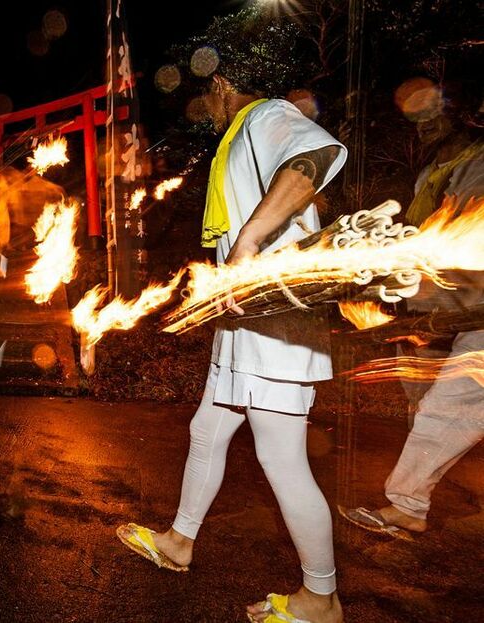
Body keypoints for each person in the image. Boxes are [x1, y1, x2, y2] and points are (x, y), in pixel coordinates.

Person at [117, 50, 347, 623]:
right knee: (207, 426)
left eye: (208, 94)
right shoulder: (241, 135)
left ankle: (322, 597)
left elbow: (316, 154)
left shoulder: (264, 116)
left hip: (276, 322)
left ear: (223, 83)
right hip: (245, 319)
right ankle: (179, 541)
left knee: (281, 456)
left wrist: (247, 240)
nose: (207, 107)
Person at [340, 83, 483, 539]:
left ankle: (407, 505)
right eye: (415, 120)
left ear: (457, 113)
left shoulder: (478, 166)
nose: (424, 127)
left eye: (432, 115)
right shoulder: (429, 176)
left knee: (446, 410)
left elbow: (457, 244)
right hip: (436, 312)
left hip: (473, 313)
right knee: (424, 405)